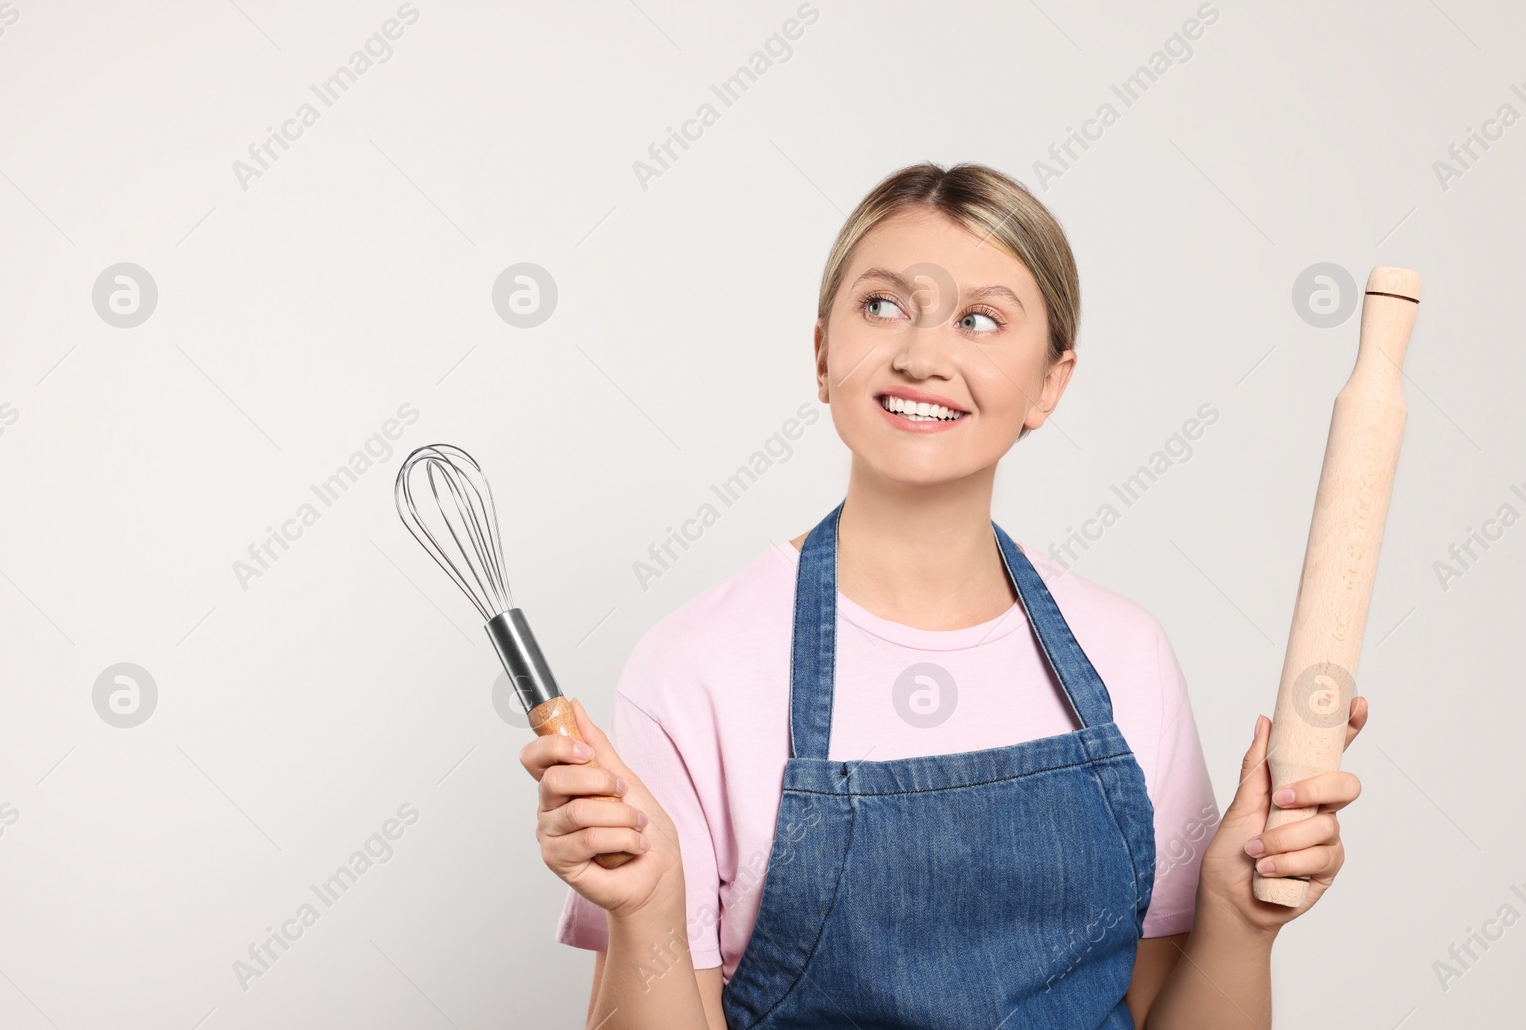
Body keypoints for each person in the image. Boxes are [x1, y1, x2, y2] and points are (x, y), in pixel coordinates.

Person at [518, 161, 1367, 1029]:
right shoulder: (696, 667)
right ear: (821, 355)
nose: (923, 356)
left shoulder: (1125, 654)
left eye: (980, 320)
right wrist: (647, 909)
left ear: (1050, 383)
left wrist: (1240, 919)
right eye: (882, 306)